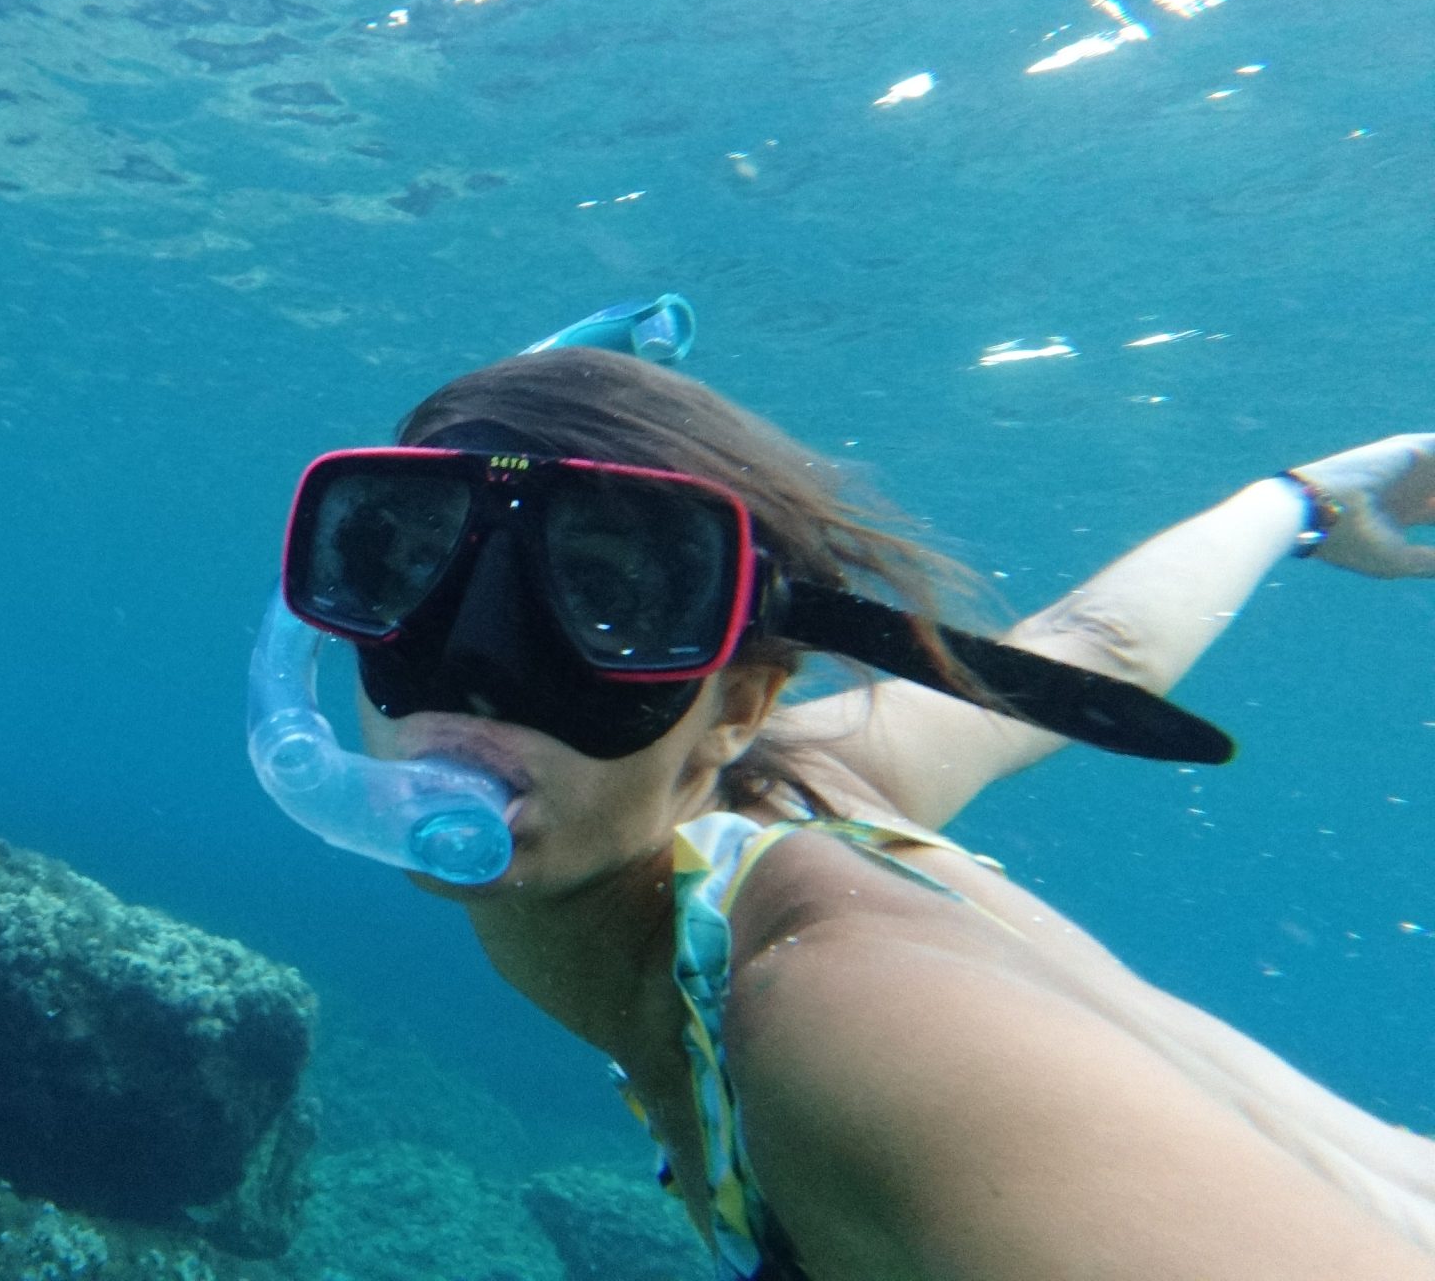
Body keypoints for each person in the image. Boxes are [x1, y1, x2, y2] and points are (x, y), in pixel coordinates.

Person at [253, 345, 1435, 1280]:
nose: (473, 663)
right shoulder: (793, 785)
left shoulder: (846, 1021)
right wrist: (1301, 503)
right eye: (401, 564)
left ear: (737, 704)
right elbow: (1087, 649)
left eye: (612, 599)